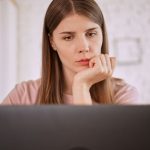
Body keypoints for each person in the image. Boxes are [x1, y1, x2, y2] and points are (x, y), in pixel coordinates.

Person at [1, 0, 138, 105]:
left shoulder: (123, 95)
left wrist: (81, 85)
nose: (84, 47)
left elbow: (86, 143)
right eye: (68, 37)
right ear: (52, 42)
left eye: (91, 34)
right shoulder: (22, 96)